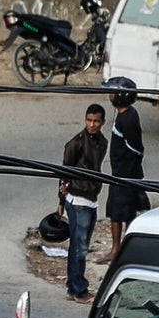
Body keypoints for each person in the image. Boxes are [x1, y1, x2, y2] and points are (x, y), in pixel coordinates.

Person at [58, 103, 108, 304]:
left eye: (96, 121)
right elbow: (64, 172)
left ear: (102, 122)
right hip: (78, 201)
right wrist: (61, 201)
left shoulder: (102, 142)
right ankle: (80, 290)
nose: (92, 124)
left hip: (91, 200)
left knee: (78, 247)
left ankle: (73, 287)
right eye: (89, 120)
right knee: (79, 249)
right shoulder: (76, 143)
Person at [100, 77, 143, 265]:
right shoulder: (123, 115)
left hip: (126, 174)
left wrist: (127, 166)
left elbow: (136, 147)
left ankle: (121, 250)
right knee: (115, 212)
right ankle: (116, 248)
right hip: (119, 172)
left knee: (124, 212)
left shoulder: (129, 118)